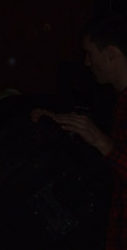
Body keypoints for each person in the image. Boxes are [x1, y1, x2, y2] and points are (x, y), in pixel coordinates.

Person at [32, 13, 127, 250]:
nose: (86, 62)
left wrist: (102, 142)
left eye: (89, 53)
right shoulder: (116, 100)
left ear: (111, 53)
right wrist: (61, 123)